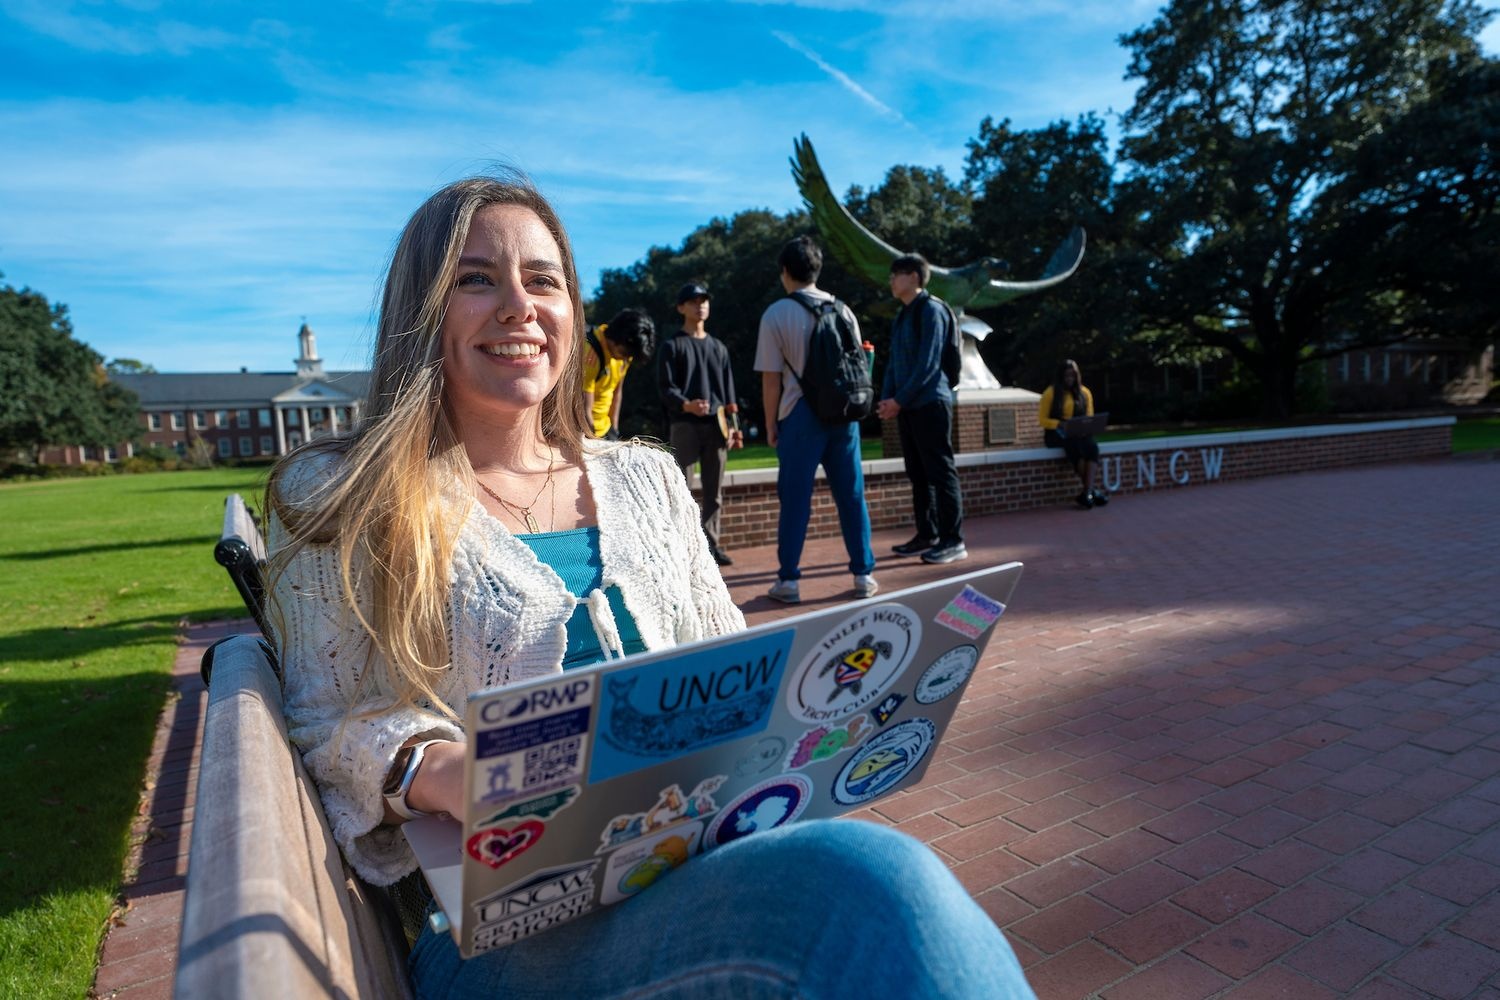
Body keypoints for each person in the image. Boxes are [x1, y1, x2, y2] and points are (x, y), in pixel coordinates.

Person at [264, 174, 1035, 1000]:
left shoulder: (647, 479)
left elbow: (735, 662)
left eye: (544, 280)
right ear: (421, 311)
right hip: (503, 931)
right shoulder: (346, 495)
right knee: (874, 893)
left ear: (573, 312)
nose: (519, 306)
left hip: (691, 867)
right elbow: (327, 718)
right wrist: (448, 770)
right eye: (476, 278)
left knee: (868, 899)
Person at [754, 235, 877, 604]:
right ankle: (863, 574)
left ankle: (789, 580)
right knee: (852, 496)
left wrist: (771, 422)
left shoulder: (776, 314)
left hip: (800, 414)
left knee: (795, 499)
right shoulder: (844, 310)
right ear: (817, 269)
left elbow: (771, 377)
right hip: (844, 414)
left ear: (785, 271)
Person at [879, 253, 967, 565]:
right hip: (908, 406)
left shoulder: (932, 311)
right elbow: (894, 362)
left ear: (914, 277)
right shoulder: (903, 315)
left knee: (940, 471)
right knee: (917, 473)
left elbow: (929, 364)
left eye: (896, 274)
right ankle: (926, 533)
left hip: (931, 402)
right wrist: (888, 397)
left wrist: (898, 400)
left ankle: (952, 539)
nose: (891, 280)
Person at [656, 281, 742, 567]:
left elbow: (729, 393)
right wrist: (686, 404)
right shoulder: (672, 346)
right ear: (681, 307)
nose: (700, 305)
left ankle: (712, 546)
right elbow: (665, 389)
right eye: (693, 301)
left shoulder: (718, 348)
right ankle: (682, 548)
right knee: (682, 490)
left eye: (704, 300)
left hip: (718, 427)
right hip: (684, 426)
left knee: (714, 491)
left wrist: (734, 426)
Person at [1038, 358, 1109, 509]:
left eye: (1072, 376)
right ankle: (1091, 492)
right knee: (1076, 447)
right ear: (1061, 376)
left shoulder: (1085, 393)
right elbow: (1042, 420)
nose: (1069, 379)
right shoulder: (1050, 393)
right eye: (1066, 376)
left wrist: (1086, 426)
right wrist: (1060, 424)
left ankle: (1087, 493)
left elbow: (1089, 416)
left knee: (1092, 447)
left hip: (1080, 432)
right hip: (1057, 433)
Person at [581, 308, 654, 440]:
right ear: (614, 338)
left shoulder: (626, 354)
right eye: (624, 354)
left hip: (606, 428)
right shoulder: (590, 354)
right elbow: (584, 409)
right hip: (585, 429)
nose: (625, 359)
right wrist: (595, 442)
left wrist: (614, 430)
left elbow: (617, 392)